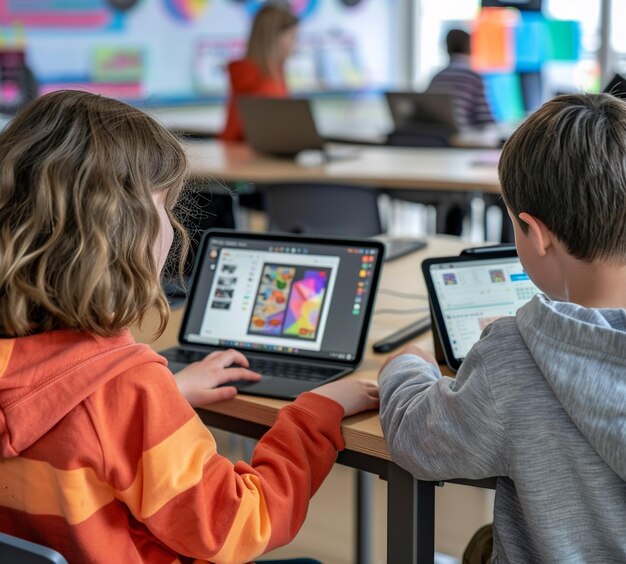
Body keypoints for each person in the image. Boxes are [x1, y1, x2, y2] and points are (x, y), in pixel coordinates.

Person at [0, 90, 379, 563]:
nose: (172, 224)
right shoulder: (126, 391)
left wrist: (167, 396)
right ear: (123, 231)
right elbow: (241, 524)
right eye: (165, 205)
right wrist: (314, 415)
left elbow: (66, 423)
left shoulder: (101, 392)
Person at [378, 93, 626, 563]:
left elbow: (418, 439)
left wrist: (406, 365)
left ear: (535, 232)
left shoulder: (514, 356)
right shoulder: (519, 352)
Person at [220, 4, 298, 142]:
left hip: (239, 154)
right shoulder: (260, 81)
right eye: (292, 37)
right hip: (247, 157)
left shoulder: (268, 75)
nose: (295, 45)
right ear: (274, 38)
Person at [426, 29, 494, 129]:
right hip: (461, 138)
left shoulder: (437, 77)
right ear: (469, 47)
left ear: (447, 48)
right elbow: (485, 119)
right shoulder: (473, 77)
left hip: (436, 136)